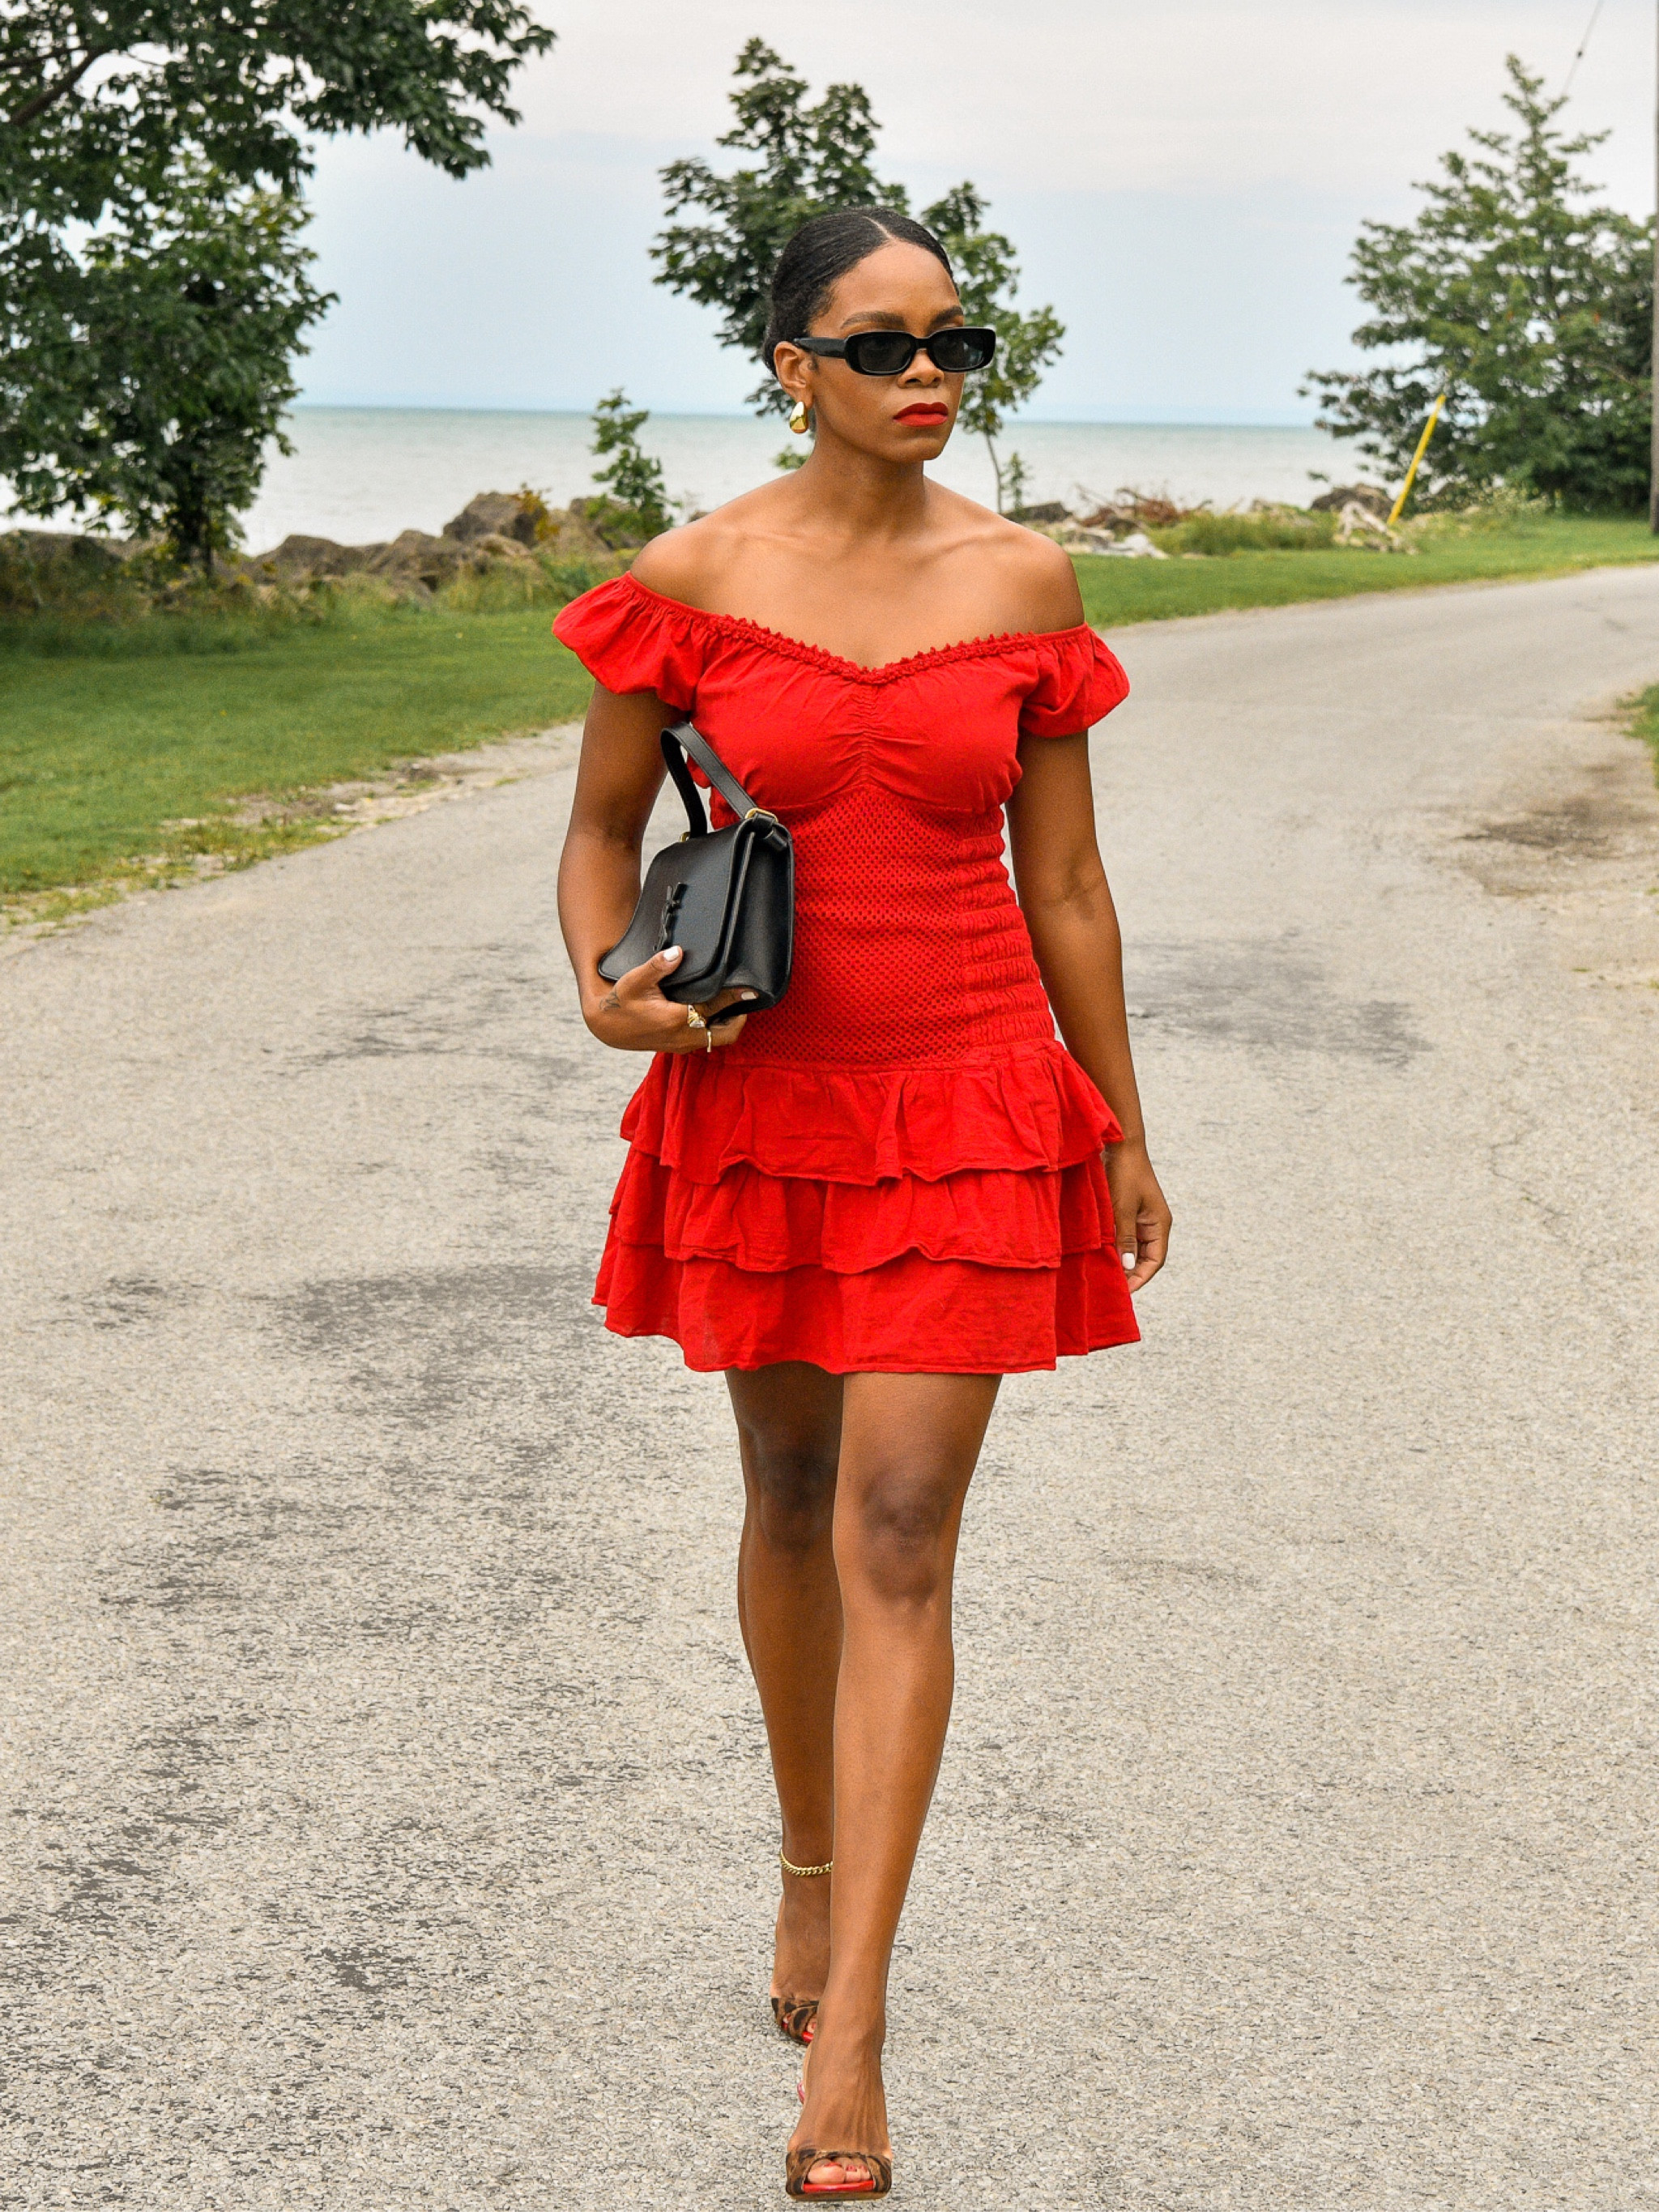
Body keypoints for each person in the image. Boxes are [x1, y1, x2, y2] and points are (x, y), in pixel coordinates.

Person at [555, 206, 1171, 2201]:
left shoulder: (1023, 576)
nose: (932, 373)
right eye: (884, 341)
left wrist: (1119, 1124)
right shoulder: (695, 578)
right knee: (789, 1495)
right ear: (791, 364)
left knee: (902, 1521)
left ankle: (860, 2041)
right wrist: (604, 990)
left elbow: (1063, 883)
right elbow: (599, 832)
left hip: (979, 1088)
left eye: (958, 342)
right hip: (761, 1096)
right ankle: (804, 1870)